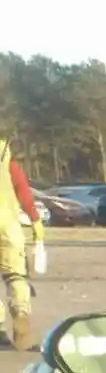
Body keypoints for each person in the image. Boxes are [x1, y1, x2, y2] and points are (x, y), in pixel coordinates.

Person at [0, 136, 41, 348]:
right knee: (16, 277)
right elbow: (22, 190)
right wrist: (35, 220)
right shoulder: (5, 154)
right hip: (8, 226)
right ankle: (22, 326)